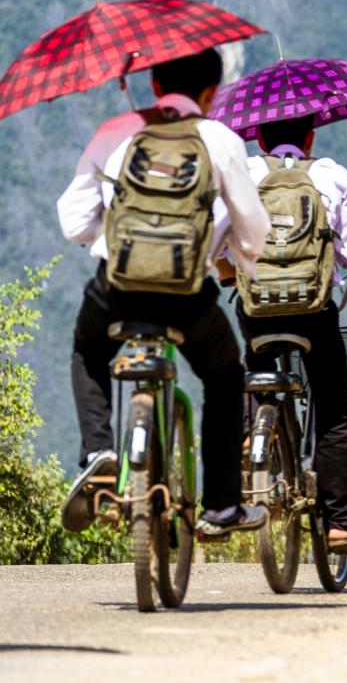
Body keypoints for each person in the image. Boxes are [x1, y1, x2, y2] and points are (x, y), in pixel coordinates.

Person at [56, 47, 270, 538]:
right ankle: (221, 506)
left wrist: (109, 236)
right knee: (223, 377)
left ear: (154, 84)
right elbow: (253, 234)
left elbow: (73, 223)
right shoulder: (219, 139)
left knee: (88, 350)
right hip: (187, 292)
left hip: (117, 287)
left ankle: (97, 453)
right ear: (212, 92)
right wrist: (232, 254)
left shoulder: (116, 130)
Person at [236, 114, 347, 558]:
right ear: (311, 137)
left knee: (250, 367)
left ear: (258, 137)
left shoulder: (244, 170)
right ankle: (340, 526)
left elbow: (225, 241)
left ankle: (249, 433)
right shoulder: (336, 176)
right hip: (315, 311)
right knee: (334, 413)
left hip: (257, 308)